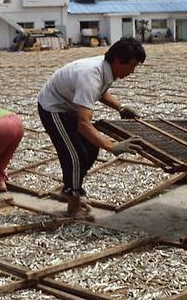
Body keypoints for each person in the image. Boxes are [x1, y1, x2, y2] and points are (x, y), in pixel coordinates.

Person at [37, 37, 146, 218]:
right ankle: (73, 206)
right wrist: (112, 146)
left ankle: (71, 189)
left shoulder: (106, 69)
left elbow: (100, 92)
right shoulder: (91, 75)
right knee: (74, 155)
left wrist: (120, 107)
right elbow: (83, 124)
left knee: (91, 148)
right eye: (132, 66)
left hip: (69, 105)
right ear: (118, 60)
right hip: (53, 107)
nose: (132, 71)